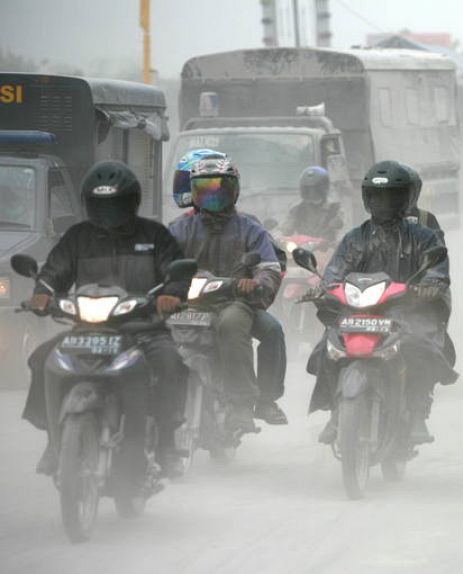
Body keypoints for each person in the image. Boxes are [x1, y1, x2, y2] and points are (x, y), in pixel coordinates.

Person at [23, 161, 189, 477]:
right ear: (89, 204)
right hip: (88, 328)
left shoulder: (154, 235)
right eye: (101, 205)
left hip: (144, 329)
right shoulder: (77, 237)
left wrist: (172, 294)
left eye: (115, 204)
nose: (108, 212)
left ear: (131, 202)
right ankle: (53, 439)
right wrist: (42, 294)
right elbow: (53, 272)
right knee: (41, 358)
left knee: (171, 364)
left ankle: (166, 443)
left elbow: (175, 270)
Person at [308, 160, 457, 445]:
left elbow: (437, 270)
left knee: (418, 345)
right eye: (377, 196)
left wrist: (428, 287)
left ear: (405, 199)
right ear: (367, 198)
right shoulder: (354, 239)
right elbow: (335, 272)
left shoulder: (423, 237)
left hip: (405, 310)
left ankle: (416, 414)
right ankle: (336, 413)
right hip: (359, 309)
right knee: (327, 348)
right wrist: (323, 289)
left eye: (391, 196)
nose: (383, 203)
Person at [172, 149, 289, 424]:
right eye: (204, 190)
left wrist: (256, 284)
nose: (212, 197)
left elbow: (270, 267)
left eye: (220, 190)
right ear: (193, 193)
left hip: (234, 301)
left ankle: (247, 402)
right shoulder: (179, 228)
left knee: (252, 327)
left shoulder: (250, 228)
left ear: (234, 192)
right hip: (187, 301)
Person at [281, 166, 344, 244]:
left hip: (327, 250)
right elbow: (286, 229)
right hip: (302, 250)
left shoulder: (334, 208)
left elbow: (342, 231)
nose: (311, 192)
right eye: (307, 189)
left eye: (315, 189)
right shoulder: (297, 209)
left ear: (323, 188)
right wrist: (284, 230)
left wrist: (337, 226)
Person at [400, 162, 445, 242]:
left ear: (417, 191)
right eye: (403, 191)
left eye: (410, 191)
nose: (408, 195)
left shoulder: (427, 218)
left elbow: (440, 249)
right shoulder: (386, 220)